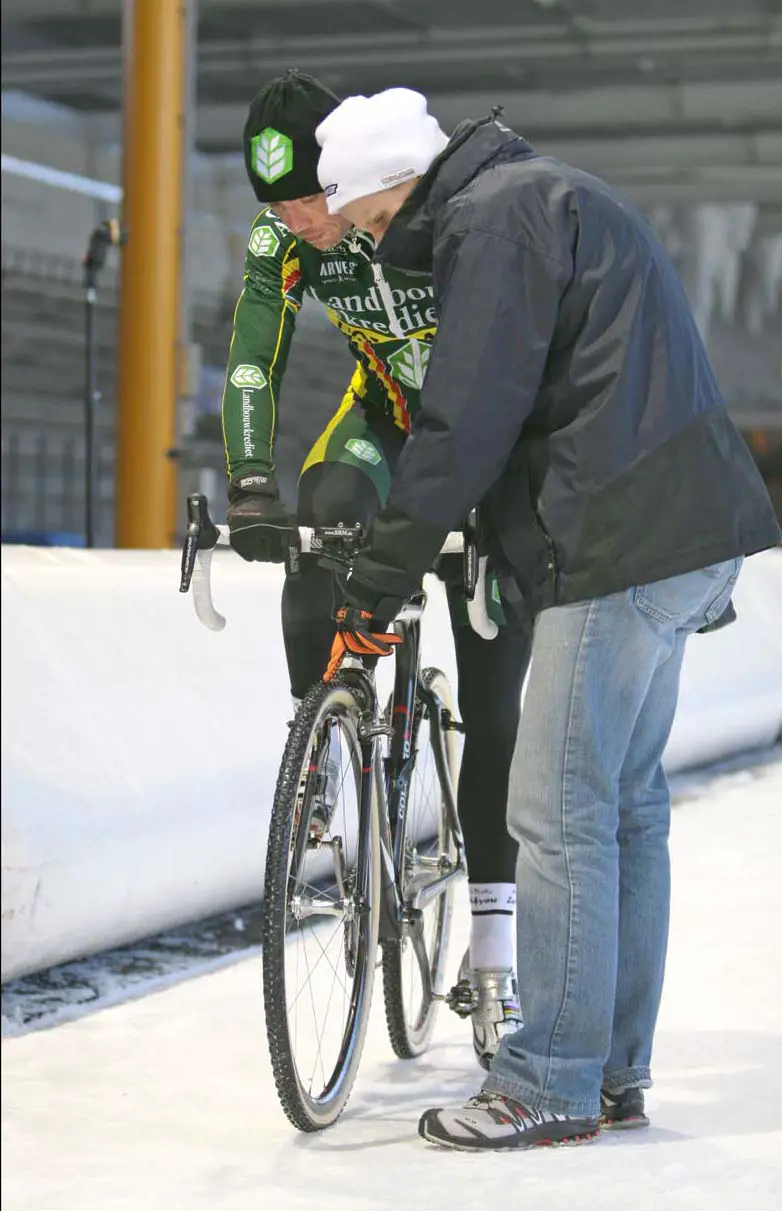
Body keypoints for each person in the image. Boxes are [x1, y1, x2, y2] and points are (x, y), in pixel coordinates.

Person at [314, 87, 782, 1150]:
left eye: (372, 222)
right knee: (621, 807)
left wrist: (375, 583)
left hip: (625, 537)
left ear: (397, 182)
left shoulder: (495, 219)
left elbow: (467, 416)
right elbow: (549, 399)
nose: (374, 244)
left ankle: (548, 1078)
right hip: (685, 527)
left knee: (555, 809)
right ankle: (611, 1069)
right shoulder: (542, 196)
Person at [221, 70, 532, 1067]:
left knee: (494, 713)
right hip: (391, 422)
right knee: (322, 512)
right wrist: (248, 483)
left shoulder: (404, 211)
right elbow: (247, 365)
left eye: (309, 198)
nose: (300, 222)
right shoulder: (287, 239)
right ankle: (329, 730)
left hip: (485, 439)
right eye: (276, 207)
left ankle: (492, 953)